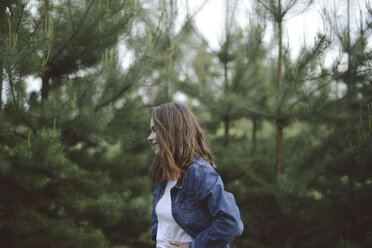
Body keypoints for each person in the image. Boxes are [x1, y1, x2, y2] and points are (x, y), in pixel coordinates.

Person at [147, 102, 243, 248]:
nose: (149, 137)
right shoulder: (164, 172)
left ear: (171, 131)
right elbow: (158, 215)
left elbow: (231, 223)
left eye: (155, 130)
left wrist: (194, 246)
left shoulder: (200, 172)